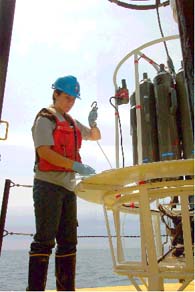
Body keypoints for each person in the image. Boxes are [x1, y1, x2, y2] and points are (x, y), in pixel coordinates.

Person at [27, 75, 101, 291]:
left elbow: (95, 136)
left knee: (69, 241)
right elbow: (44, 153)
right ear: (56, 94)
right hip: (48, 186)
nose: (70, 102)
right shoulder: (45, 119)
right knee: (45, 240)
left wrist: (93, 122)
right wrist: (76, 166)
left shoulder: (71, 122)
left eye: (73, 99)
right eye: (67, 97)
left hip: (68, 189)